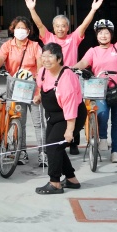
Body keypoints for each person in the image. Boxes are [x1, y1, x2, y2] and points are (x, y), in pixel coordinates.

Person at [26, 0, 101, 156]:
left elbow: (84, 25)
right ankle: (55, 140)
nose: (60, 29)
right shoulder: (49, 38)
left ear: (68, 27)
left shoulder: (73, 39)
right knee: (55, 110)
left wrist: (93, 10)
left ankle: (73, 141)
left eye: (63, 26)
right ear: (53, 27)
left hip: (70, 79)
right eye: (57, 26)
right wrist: (32, 9)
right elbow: (39, 24)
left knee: (74, 108)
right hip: (52, 81)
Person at [73, 7, 117, 164]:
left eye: (106, 32)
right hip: (99, 91)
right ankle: (103, 137)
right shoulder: (93, 51)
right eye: (100, 32)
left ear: (111, 34)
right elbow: (83, 63)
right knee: (102, 115)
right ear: (96, 35)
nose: (103, 35)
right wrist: (73, 67)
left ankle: (115, 152)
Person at [0, 16, 43, 165]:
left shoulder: (34, 46)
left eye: (24, 28)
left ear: (28, 31)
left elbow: (40, 66)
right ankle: (21, 151)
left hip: (33, 86)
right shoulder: (7, 45)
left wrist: (40, 85)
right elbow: (1, 58)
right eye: (18, 28)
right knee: (19, 120)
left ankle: (42, 152)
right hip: (16, 87)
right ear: (13, 29)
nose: (21, 31)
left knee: (38, 122)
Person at [33, 43, 83, 194]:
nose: (46, 60)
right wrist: (39, 97)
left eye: (50, 56)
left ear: (59, 58)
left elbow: (70, 106)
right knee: (54, 147)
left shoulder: (66, 77)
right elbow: (44, 88)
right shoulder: (42, 72)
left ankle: (55, 183)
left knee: (53, 146)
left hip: (72, 115)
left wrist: (70, 130)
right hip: (54, 116)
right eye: (44, 56)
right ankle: (71, 179)